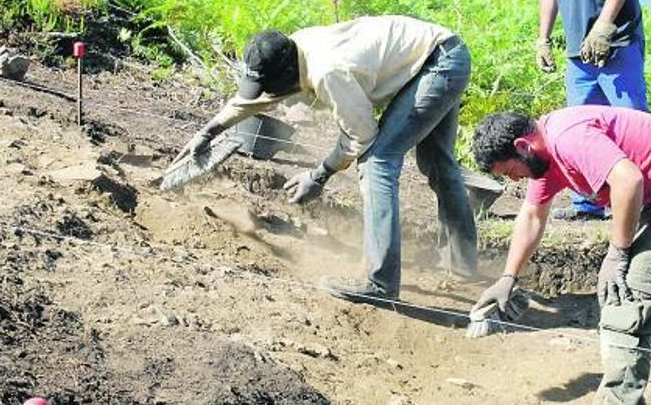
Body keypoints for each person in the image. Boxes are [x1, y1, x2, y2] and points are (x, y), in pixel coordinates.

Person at [176, 15, 478, 301]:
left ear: (287, 75)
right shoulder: (292, 48)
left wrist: (318, 175)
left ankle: (380, 283)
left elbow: (361, 137)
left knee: (377, 161)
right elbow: (257, 98)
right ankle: (463, 263)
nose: (267, 92)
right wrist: (209, 131)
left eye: (270, 84)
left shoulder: (328, 71)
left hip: (438, 65)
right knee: (437, 162)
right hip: (441, 51)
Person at [470, 106, 651, 405]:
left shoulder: (568, 137)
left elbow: (628, 180)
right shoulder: (544, 156)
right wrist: (508, 277)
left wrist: (617, 252)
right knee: (646, 294)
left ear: (522, 147)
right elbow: (532, 214)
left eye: (510, 172)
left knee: (626, 295)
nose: (515, 180)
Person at [536, 0, 648, 220]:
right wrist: (543, 38)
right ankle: (588, 204)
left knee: (632, 126)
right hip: (577, 53)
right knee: (580, 130)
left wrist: (604, 24)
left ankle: (645, 203)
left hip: (618, 44)